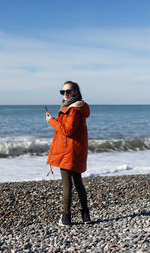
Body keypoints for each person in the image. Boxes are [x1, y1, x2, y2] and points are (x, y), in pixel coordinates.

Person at [46, 81, 91, 226]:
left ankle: (66, 218)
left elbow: (67, 131)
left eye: (68, 91)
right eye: (62, 92)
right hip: (75, 151)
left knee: (68, 185)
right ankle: (86, 216)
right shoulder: (75, 108)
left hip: (68, 152)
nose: (65, 94)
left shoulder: (74, 109)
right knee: (78, 183)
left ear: (76, 92)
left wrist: (51, 121)